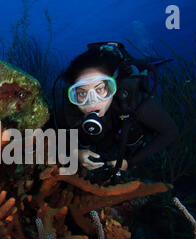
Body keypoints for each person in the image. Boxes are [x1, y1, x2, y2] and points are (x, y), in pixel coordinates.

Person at [52, 42, 179, 184]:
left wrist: (129, 162)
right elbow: (55, 134)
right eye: (82, 93)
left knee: (142, 69)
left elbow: (170, 131)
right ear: (73, 94)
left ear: (114, 85)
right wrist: (75, 153)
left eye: (100, 89)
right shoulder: (69, 109)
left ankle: (145, 64)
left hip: (125, 106)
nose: (92, 102)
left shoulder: (133, 100)